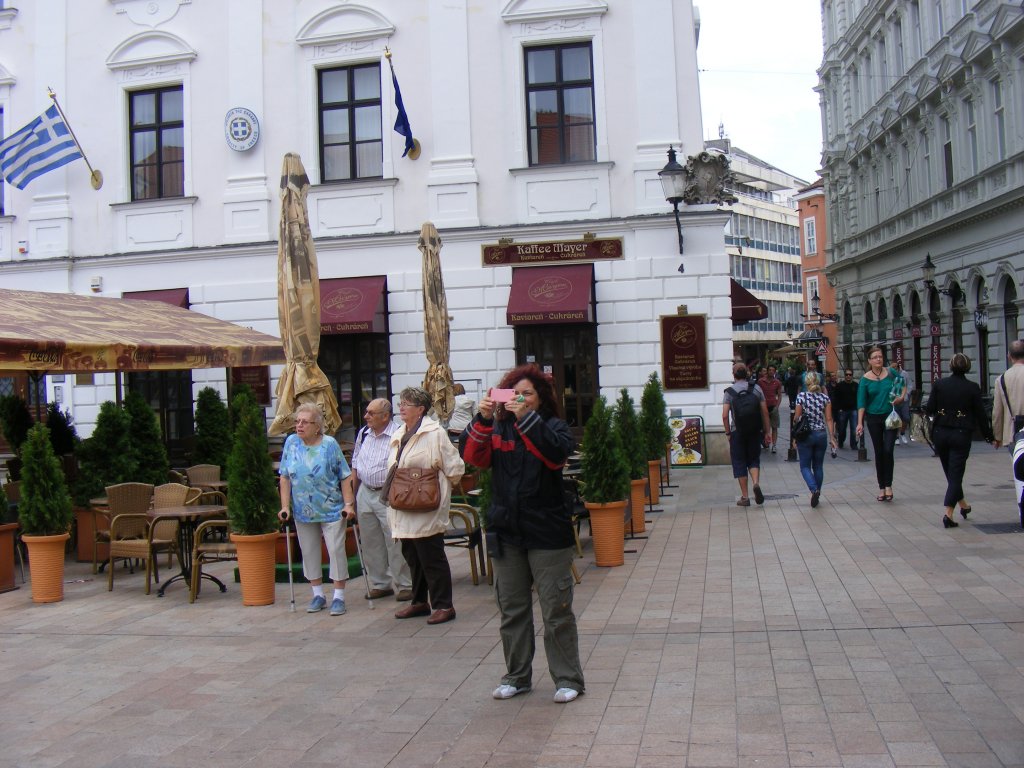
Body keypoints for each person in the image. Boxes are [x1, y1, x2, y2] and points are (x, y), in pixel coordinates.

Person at [461, 363, 584, 704]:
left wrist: (525, 417)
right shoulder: (497, 427)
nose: (520, 399)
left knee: (556, 609)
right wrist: (483, 418)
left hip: (547, 531)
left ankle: (568, 679)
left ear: (540, 397)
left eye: (527, 394)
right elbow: (473, 457)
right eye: (514, 393)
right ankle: (516, 676)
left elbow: (554, 456)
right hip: (507, 531)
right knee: (512, 609)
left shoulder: (554, 427)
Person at [386, 386, 465, 625]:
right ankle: (419, 601)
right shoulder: (399, 433)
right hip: (404, 504)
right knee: (412, 555)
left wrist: (436, 489)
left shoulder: (435, 433)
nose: (401, 408)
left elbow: (455, 468)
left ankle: (444, 605)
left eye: (406, 404)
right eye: (400, 403)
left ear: (420, 409)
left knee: (431, 556)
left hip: (426, 505)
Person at [278, 403, 356, 616]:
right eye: (297, 421)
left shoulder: (329, 444)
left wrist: (348, 504)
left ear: (317, 426)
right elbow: (284, 476)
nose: (299, 425)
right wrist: (285, 506)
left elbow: (345, 475)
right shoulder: (291, 443)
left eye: (305, 422)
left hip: (331, 508)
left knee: (335, 550)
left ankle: (339, 596)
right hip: (303, 510)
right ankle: (318, 594)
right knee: (309, 550)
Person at [351, 398, 411, 601]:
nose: (366, 416)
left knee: (395, 541)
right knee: (370, 540)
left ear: (385, 416)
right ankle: (380, 583)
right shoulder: (363, 433)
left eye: (371, 413)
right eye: (366, 412)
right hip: (365, 491)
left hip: (388, 493)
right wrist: (352, 497)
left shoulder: (399, 433)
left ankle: (405, 584)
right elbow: (355, 464)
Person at [925, 353, 993, 528]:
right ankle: (948, 513)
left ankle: (963, 504)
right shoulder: (972, 387)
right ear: (968, 367)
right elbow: (981, 414)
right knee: (955, 474)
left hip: (940, 432)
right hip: (961, 433)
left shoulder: (939, 384)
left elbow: (930, 408)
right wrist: (988, 435)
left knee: (951, 472)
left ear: (950, 366)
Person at [855, 346, 905, 502]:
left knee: (888, 450)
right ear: (869, 361)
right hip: (873, 418)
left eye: (880, 356)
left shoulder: (891, 372)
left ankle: (889, 485)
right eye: (875, 357)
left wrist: (901, 397)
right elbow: (861, 403)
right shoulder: (865, 380)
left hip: (890, 416)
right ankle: (882, 487)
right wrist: (859, 423)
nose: (878, 359)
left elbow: (902, 384)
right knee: (879, 451)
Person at [723, 363, 771, 506]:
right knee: (753, 459)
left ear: (734, 375)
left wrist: (728, 432)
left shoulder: (729, 392)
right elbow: (765, 412)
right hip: (754, 431)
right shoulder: (756, 388)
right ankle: (755, 483)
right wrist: (767, 432)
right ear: (747, 374)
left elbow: (725, 416)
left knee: (739, 462)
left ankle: (745, 497)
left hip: (737, 432)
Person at [793, 372, 837, 508]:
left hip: (806, 435)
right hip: (821, 434)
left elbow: (797, 418)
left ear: (806, 383)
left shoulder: (801, 396)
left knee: (805, 466)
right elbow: (829, 418)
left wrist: (794, 437)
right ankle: (818, 491)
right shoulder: (825, 398)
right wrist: (832, 437)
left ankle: (814, 489)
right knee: (818, 466)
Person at [992, 339, 1024, 449]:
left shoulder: (1001, 379)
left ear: (1009, 356)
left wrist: (997, 437)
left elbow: (997, 412)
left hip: (1012, 434)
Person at [757, 365, 783, 454]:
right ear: (767, 371)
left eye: (773, 370)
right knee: (764, 427)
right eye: (770, 370)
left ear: (775, 372)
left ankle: (774, 445)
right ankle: (766, 442)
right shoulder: (761, 381)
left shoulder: (777, 382)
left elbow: (779, 395)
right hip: (764, 407)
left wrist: (777, 406)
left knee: (774, 427)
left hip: (773, 406)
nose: (771, 372)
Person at [831, 368, 859, 449]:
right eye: (847, 374)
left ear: (852, 376)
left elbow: (858, 397)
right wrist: (838, 409)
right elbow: (836, 398)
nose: (848, 376)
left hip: (853, 409)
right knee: (842, 429)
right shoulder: (840, 385)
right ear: (844, 375)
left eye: (850, 374)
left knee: (854, 428)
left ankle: (853, 444)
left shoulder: (856, 385)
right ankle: (841, 441)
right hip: (842, 410)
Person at [894, 362, 913, 445]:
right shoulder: (890, 374)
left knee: (906, 417)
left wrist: (907, 394)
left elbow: (909, 384)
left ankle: (902, 433)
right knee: (896, 418)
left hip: (904, 399)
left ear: (898, 368)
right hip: (895, 400)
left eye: (895, 369)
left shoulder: (904, 374)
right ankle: (896, 437)